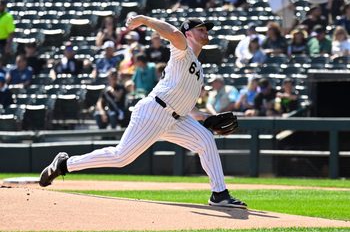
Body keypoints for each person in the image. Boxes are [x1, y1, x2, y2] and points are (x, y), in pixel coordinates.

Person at [39, 16, 247, 209]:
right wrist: (144, 20)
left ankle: (219, 194)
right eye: (200, 29)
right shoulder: (182, 51)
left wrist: (206, 118)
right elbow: (173, 34)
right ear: (188, 34)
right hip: (154, 112)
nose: (205, 33)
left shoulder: (198, 68)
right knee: (121, 157)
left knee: (205, 139)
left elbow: (188, 106)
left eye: (206, 30)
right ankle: (64, 165)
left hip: (176, 118)